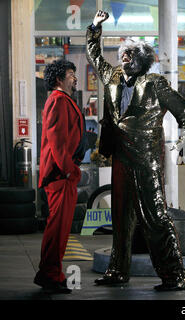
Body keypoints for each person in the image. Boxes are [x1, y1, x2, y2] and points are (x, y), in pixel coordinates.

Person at [86, 10, 185, 291]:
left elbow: (184, 110)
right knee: (120, 216)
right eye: (123, 52)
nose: (125, 56)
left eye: (131, 53)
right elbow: (95, 56)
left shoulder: (155, 83)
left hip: (146, 159)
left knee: (155, 215)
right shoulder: (112, 78)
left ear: (142, 60)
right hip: (120, 156)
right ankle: (117, 271)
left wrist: (184, 140)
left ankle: (175, 275)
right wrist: (95, 28)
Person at [34, 59, 86, 294]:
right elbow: (57, 142)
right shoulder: (57, 100)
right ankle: (50, 275)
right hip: (60, 176)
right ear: (59, 79)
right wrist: (69, 170)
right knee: (57, 228)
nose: (75, 78)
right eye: (71, 74)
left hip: (63, 174)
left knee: (61, 229)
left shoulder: (63, 100)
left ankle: (52, 273)